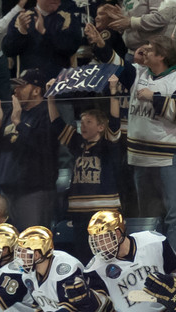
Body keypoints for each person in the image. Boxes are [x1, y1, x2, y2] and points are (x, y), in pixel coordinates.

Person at [117, 35, 176, 253]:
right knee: (148, 218)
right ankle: (150, 259)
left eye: (150, 49)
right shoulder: (138, 72)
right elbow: (115, 67)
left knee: (174, 215)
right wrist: (131, 55)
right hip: (139, 159)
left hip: (165, 158)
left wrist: (154, 97)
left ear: (162, 55)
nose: (145, 51)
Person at [85, 210, 176, 312]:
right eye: (96, 241)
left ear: (118, 234)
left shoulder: (154, 242)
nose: (99, 246)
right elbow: (94, 305)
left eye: (103, 239)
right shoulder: (95, 269)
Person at [16, 225, 123, 312]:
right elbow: (42, 306)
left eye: (23, 252)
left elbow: (76, 310)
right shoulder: (27, 275)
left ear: (37, 254)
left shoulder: (65, 268)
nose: (19, 257)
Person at [50, 76, 122, 263]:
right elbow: (57, 124)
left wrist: (113, 91)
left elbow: (114, 121)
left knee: (106, 255)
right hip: (79, 210)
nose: (83, 125)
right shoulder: (77, 143)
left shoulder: (108, 145)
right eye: (81, 122)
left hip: (104, 209)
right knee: (83, 255)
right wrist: (50, 98)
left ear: (100, 127)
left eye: (88, 122)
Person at [0, 69, 59, 231]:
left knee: (31, 242)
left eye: (22, 86)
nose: (16, 90)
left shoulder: (47, 115)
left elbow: (42, 147)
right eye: (15, 87)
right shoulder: (10, 113)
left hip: (34, 192)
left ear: (36, 90)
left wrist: (19, 123)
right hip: (7, 189)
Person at [3, 0, 84, 82]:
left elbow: (71, 47)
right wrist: (21, 32)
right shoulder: (22, 17)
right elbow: (8, 50)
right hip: (28, 82)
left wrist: (44, 32)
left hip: (58, 81)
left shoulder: (67, 17)